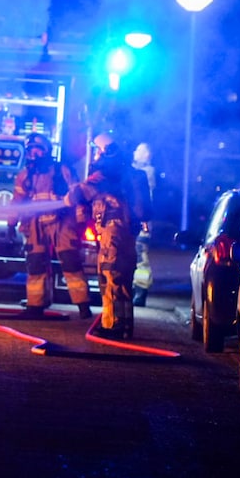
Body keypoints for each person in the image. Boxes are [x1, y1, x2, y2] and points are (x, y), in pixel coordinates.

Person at [67, 132, 149, 337]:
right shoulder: (130, 174)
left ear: (104, 152)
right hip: (127, 233)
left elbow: (78, 195)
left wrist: (66, 198)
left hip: (112, 232)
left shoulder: (103, 175)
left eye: (97, 150)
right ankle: (125, 325)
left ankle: (112, 325)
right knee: (123, 278)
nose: (94, 155)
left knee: (109, 275)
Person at [7, 132, 91, 319]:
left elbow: (77, 195)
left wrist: (80, 221)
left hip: (62, 222)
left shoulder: (63, 170)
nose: (34, 154)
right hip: (35, 223)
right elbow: (17, 201)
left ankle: (83, 304)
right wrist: (11, 222)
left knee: (71, 262)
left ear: (46, 151)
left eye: (37, 150)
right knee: (36, 264)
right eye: (30, 151)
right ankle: (36, 306)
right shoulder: (25, 176)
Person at [131, 142, 156, 306]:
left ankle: (140, 292)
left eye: (139, 150)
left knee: (141, 257)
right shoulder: (134, 170)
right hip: (134, 220)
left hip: (141, 222)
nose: (135, 152)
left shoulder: (147, 172)